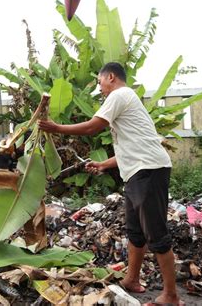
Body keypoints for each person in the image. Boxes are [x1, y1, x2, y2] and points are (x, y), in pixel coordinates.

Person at [38, 62, 182, 306]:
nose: (99, 88)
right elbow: (132, 147)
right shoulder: (126, 100)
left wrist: (56, 128)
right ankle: (132, 279)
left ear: (111, 77)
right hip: (138, 172)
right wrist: (104, 165)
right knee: (136, 233)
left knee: (156, 234)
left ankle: (171, 296)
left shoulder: (120, 94)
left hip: (149, 171)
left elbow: (94, 126)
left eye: (99, 82)